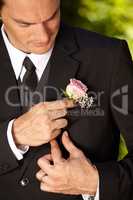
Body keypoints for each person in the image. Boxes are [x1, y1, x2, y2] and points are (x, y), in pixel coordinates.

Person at [0, 0, 133, 200]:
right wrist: (13, 136)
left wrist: (96, 182)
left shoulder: (108, 56)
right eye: (25, 24)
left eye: (52, 17)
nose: (43, 36)